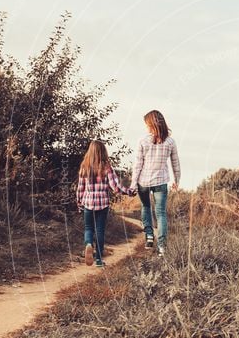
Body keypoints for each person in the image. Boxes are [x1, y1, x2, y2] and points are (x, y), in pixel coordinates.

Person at [130, 110, 180, 257]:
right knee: (161, 213)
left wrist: (133, 183)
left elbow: (138, 165)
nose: (146, 127)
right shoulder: (170, 142)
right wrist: (177, 180)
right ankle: (162, 247)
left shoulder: (142, 141)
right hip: (161, 181)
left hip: (143, 182)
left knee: (146, 206)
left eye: (147, 124)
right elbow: (175, 163)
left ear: (151, 124)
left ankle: (149, 236)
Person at [76, 140, 131, 267]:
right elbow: (115, 187)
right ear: (103, 152)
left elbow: (80, 188)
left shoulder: (84, 167)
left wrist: (79, 202)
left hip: (88, 203)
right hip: (103, 204)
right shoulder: (107, 167)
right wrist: (128, 192)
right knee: (100, 230)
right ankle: (99, 260)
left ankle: (88, 244)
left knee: (88, 228)